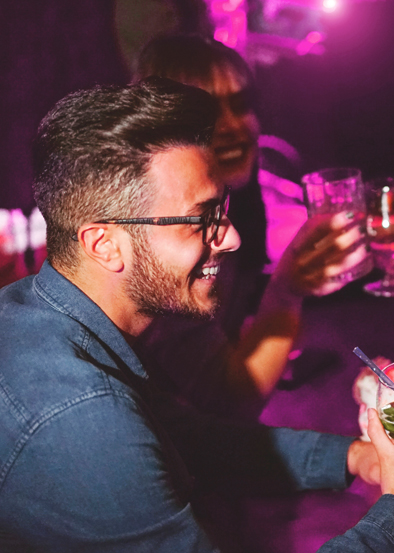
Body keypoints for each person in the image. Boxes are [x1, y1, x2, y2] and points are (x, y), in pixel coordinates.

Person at [0, 78, 394, 551]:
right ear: (104, 244)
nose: (230, 238)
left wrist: (355, 458)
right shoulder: (83, 420)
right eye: (201, 219)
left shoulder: (39, 312)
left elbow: (189, 442)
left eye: (222, 210)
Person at [132, 35, 360, 416]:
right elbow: (230, 401)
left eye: (240, 105)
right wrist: (286, 291)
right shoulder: (163, 246)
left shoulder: (225, 210)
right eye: (204, 115)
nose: (232, 126)